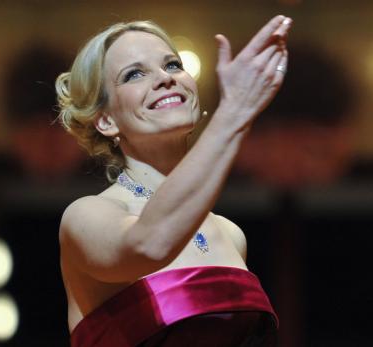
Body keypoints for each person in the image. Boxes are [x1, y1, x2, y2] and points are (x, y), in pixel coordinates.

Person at [56, 15, 292, 346]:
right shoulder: (86, 216)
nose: (165, 79)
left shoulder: (230, 234)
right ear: (106, 120)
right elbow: (148, 244)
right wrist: (235, 111)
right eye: (134, 74)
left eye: (172, 65)